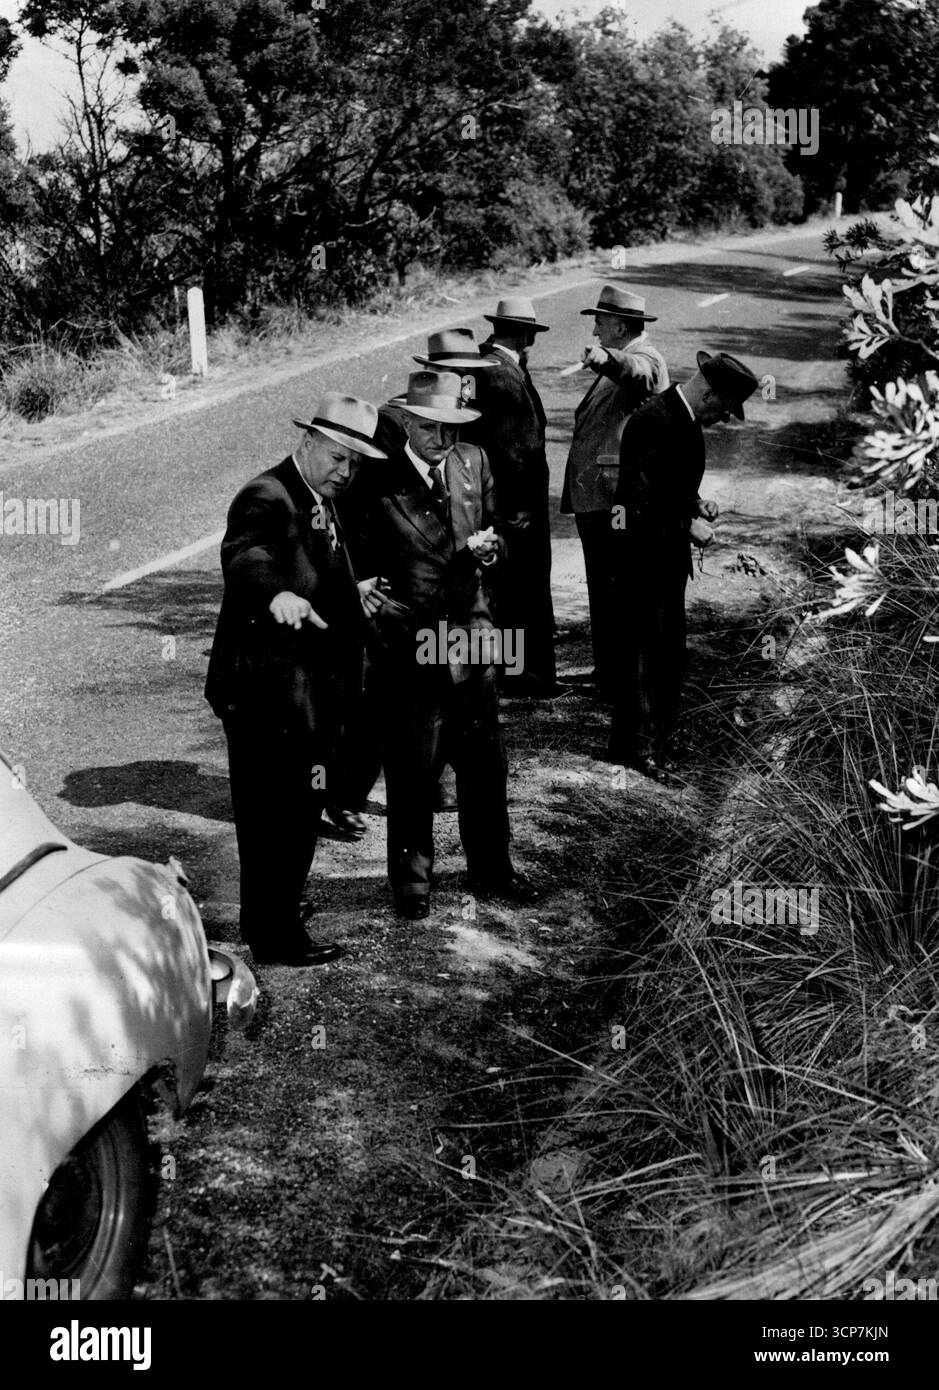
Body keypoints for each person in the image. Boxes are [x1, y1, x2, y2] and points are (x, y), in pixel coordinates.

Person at [204, 394, 386, 965]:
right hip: (265, 694)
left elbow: (308, 571)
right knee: (272, 818)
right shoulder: (267, 495)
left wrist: (343, 594)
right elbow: (246, 556)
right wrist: (275, 593)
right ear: (307, 443)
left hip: (302, 693)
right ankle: (275, 936)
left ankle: (275, 913)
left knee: (297, 811)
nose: (344, 471)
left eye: (354, 463)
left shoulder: (316, 496)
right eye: (336, 457)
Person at [351, 369, 536, 918]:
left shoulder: (472, 461)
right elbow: (358, 559)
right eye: (432, 428)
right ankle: (412, 885)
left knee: (485, 763)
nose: (443, 440)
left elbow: (502, 527)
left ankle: (493, 870)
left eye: (452, 428)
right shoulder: (376, 479)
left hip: (475, 637)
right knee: (415, 766)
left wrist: (493, 549)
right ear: (406, 420)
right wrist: (375, 606)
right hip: (413, 643)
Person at [608, 350, 759, 779]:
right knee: (645, 654)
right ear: (709, 394)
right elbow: (635, 501)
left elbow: (667, 483)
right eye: (724, 409)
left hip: (664, 556)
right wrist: (685, 526)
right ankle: (638, 747)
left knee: (667, 652)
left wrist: (696, 502)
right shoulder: (653, 419)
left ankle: (654, 739)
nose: (724, 418)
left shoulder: (685, 419)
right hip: (642, 557)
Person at [560, 286, 668, 697]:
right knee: (605, 590)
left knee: (616, 591)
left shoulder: (646, 357)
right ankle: (610, 674)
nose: (595, 327)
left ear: (621, 326)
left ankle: (620, 679)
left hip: (614, 499)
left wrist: (606, 357)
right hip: (602, 497)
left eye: (601, 321)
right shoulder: (630, 355)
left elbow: (637, 372)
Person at [471, 296, 560, 696]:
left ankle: (516, 672)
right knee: (524, 588)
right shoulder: (503, 375)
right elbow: (514, 450)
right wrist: (519, 507)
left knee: (509, 588)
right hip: (516, 506)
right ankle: (527, 678)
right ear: (527, 334)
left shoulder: (490, 364)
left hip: (501, 502)